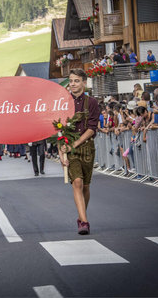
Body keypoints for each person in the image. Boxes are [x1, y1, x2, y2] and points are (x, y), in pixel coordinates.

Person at [59, 69, 99, 235]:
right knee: (77, 182)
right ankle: (84, 222)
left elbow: (91, 129)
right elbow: (57, 129)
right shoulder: (62, 103)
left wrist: (76, 143)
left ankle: (81, 214)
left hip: (87, 147)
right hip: (70, 148)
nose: (73, 84)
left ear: (84, 82)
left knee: (86, 186)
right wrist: (61, 153)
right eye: (71, 81)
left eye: (76, 81)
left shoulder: (92, 102)